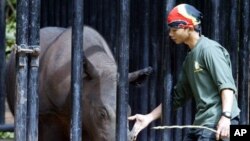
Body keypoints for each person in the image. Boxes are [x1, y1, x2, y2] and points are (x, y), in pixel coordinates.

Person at [128, 3, 240, 141]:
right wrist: (148, 117)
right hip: (201, 125)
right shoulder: (190, 58)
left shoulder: (209, 49)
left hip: (217, 125)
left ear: (189, 27)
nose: (170, 34)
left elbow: (227, 87)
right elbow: (177, 98)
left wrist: (226, 117)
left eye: (174, 29)